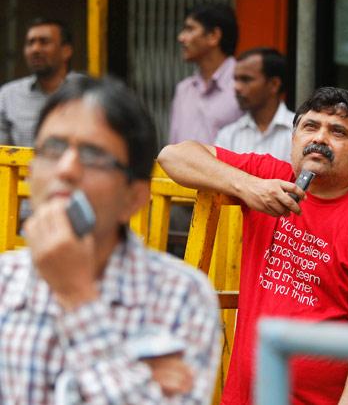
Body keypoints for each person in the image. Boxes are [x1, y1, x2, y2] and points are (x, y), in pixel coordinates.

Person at [159, 87, 348, 405]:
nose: (319, 138)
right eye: (310, 127)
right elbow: (173, 156)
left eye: (337, 132)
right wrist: (249, 187)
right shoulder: (269, 177)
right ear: (293, 140)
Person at [0, 77, 220, 404]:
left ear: (134, 197)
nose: (67, 169)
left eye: (93, 156)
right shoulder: (5, 282)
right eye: (53, 149)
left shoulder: (181, 294)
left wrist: (77, 298)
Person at [0, 18, 84, 147]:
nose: (35, 49)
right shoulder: (8, 95)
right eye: (30, 43)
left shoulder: (89, 90)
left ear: (66, 51)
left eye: (44, 42)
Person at [169, 3, 243, 145]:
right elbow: (173, 148)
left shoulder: (244, 86)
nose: (181, 38)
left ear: (213, 36)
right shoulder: (184, 90)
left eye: (190, 29)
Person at [214, 47, 294, 161]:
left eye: (246, 79)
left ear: (274, 84)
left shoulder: (299, 132)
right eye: (235, 79)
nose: (237, 87)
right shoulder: (228, 135)